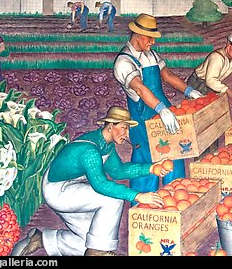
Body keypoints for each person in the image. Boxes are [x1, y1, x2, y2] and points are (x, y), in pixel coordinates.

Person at [10, 106, 168, 257]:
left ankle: (42, 239)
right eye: (124, 127)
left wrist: (151, 168)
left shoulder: (105, 145)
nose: (126, 134)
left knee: (89, 241)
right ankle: (98, 252)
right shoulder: (90, 151)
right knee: (113, 201)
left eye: (127, 129)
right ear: (110, 126)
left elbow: (118, 171)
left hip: (73, 188)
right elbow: (100, 185)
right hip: (58, 191)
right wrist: (138, 196)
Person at [113, 14, 203, 194]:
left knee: (176, 154)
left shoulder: (151, 54)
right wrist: (161, 109)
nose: (153, 41)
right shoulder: (124, 62)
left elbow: (167, 75)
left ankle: (176, 200)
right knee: (147, 161)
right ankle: (142, 208)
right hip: (143, 119)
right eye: (150, 37)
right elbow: (139, 88)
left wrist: (189, 91)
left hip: (164, 113)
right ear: (137, 35)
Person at [187, 34, 232, 101]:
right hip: (198, 83)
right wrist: (228, 91)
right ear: (228, 45)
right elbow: (210, 80)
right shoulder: (217, 58)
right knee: (199, 105)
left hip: (213, 84)